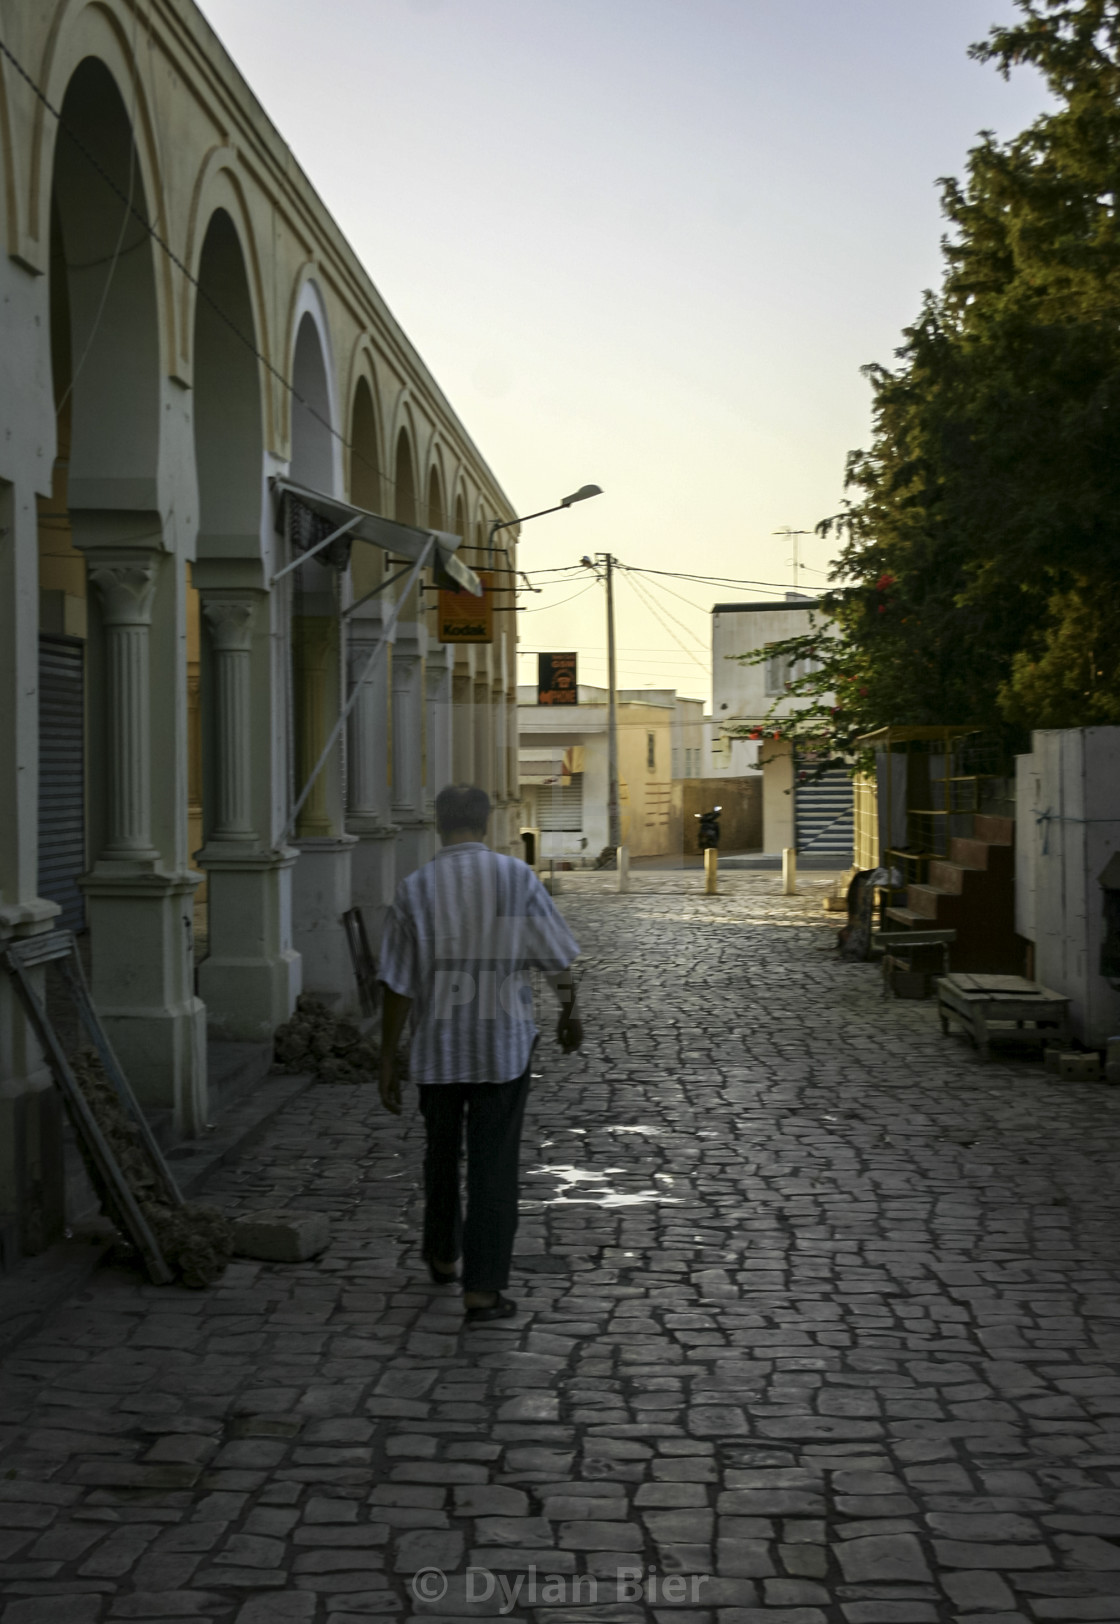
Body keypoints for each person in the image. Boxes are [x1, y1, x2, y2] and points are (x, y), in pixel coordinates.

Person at [378, 783, 582, 1323]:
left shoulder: (415, 888)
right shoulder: (516, 878)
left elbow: (396, 985)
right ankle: (483, 1289)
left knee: (440, 1158)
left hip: (437, 1051)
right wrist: (569, 1010)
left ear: (439, 824)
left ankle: (444, 1256)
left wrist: (386, 1059)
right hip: (502, 1049)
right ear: (486, 822)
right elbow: (555, 955)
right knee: (494, 1167)